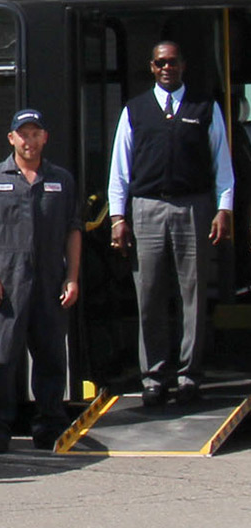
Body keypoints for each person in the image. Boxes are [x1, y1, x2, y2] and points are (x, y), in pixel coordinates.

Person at [107, 41, 237, 406]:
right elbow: (120, 171)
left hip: (193, 207)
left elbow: (222, 165)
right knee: (149, 294)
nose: (168, 68)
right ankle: (154, 378)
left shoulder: (204, 107)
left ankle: (189, 376)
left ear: (183, 64)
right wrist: (119, 217)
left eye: (173, 62)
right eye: (161, 63)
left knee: (191, 296)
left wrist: (223, 209)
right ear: (151, 67)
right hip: (146, 209)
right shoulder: (135, 110)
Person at [0, 109, 81, 454]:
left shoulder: (61, 180)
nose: (29, 141)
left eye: (35, 134)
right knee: (0, 361)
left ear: (44, 138)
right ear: (11, 139)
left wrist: (73, 278)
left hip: (49, 284)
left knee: (50, 360)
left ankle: (49, 428)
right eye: (23, 134)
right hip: (8, 285)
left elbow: (73, 231)